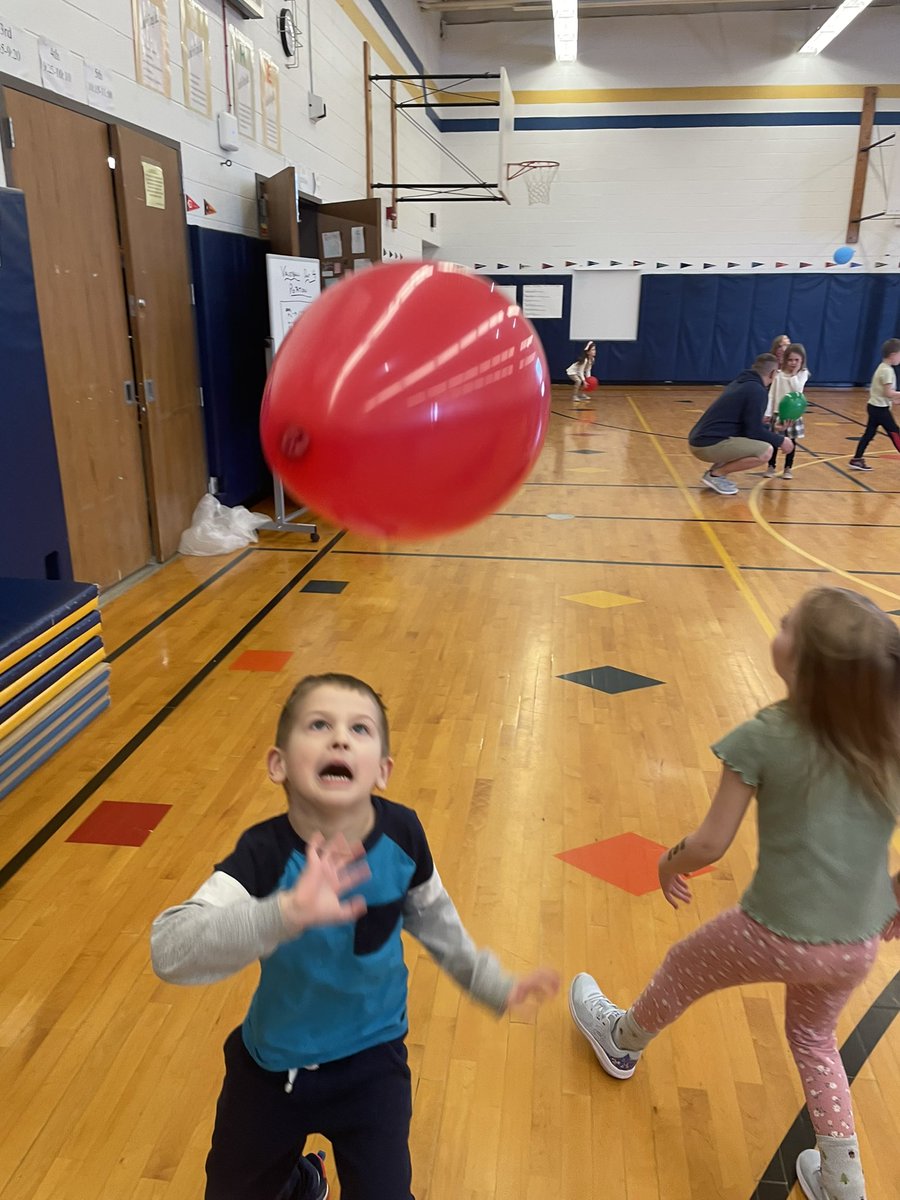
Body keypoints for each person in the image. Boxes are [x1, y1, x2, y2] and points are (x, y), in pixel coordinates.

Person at [151, 673, 558, 1200]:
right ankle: (300, 1182)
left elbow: (435, 919)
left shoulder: (404, 836)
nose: (339, 738)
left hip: (373, 1066)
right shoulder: (262, 855)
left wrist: (490, 982)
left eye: (359, 729)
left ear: (382, 771)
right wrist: (285, 911)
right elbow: (170, 948)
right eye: (319, 724)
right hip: (272, 1069)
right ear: (279, 764)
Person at [568, 586, 900, 1200]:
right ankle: (843, 1180)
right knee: (813, 1038)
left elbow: (711, 844)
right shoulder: (888, 739)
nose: (777, 626)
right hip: (856, 943)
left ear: (803, 665)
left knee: (680, 967)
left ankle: (622, 1041)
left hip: (775, 933)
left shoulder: (766, 734)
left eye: (787, 626)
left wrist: (668, 865)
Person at [688, 354, 793, 495]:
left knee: (750, 442)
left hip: (700, 441)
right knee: (765, 451)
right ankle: (716, 475)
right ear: (773, 373)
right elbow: (753, 431)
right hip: (707, 444)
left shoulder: (742, 383)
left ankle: (716, 473)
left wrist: (773, 429)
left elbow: (747, 426)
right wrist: (781, 440)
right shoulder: (756, 390)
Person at [848, 337, 900, 471]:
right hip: (880, 409)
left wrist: (895, 399)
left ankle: (856, 459)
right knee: (895, 433)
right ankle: (857, 459)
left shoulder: (882, 367)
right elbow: (889, 392)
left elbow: (884, 393)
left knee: (869, 434)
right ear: (893, 355)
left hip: (874, 406)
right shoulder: (887, 371)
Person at [766, 342, 810, 480]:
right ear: (785, 359)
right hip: (778, 413)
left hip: (792, 414)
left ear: (802, 360)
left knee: (791, 441)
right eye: (790, 360)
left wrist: (794, 374)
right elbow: (772, 394)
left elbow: (797, 390)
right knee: (774, 440)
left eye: (796, 360)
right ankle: (771, 465)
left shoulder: (803, 374)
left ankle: (788, 468)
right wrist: (768, 413)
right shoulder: (778, 375)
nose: (793, 363)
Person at [566, 340, 596, 404]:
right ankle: (575, 396)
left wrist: (588, 379)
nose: (594, 351)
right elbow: (581, 371)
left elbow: (588, 370)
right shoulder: (585, 360)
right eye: (592, 350)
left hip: (579, 372)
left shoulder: (592, 359)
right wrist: (584, 381)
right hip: (572, 372)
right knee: (579, 381)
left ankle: (583, 394)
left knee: (586, 382)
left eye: (594, 350)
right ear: (588, 352)